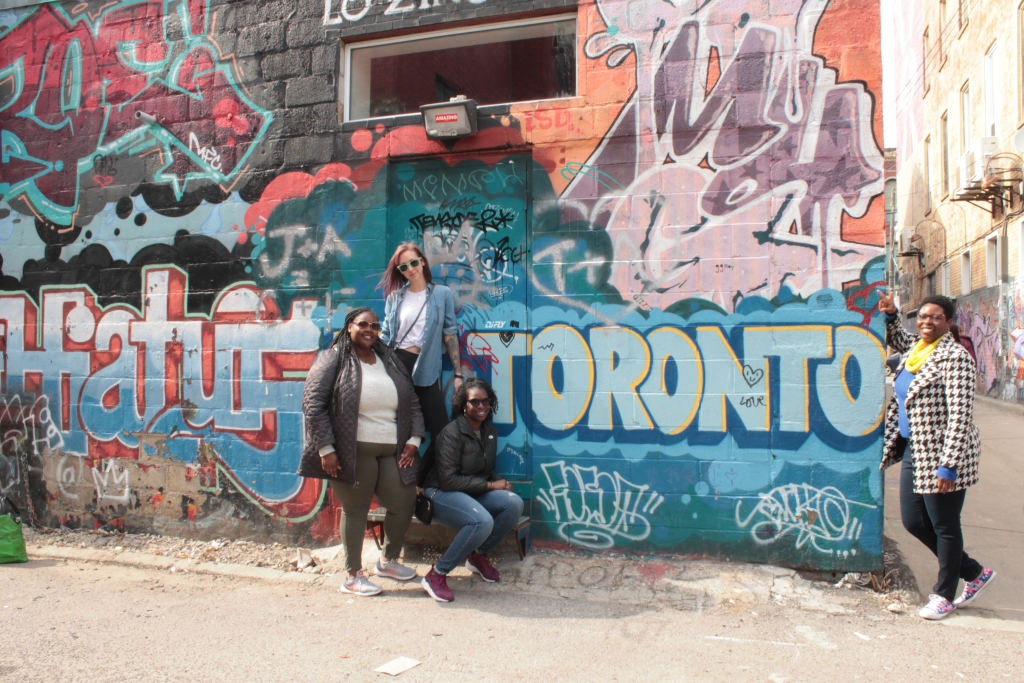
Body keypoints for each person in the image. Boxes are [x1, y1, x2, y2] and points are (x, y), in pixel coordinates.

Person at [878, 291, 995, 620]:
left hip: (943, 454)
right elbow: (901, 337)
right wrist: (890, 315)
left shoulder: (956, 358)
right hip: (915, 448)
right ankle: (973, 572)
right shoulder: (918, 348)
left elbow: (960, 415)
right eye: (923, 317)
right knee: (913, 521)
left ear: (949, 322)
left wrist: (949, 466)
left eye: (936, 318)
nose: (927, 322)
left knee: (944, 525)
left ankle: (943, 595)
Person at [298, 307, 425, 596]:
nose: (370, 329)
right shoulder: (334, 359)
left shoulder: (388, 359)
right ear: (350, 327)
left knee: (403, 502)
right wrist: (326, 448)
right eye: (363, 324)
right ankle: (352, 576)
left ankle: (388, 561)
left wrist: (414, 439)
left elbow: (412, 401)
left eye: (375, 326)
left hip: (393, 450)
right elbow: (313, 404)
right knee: (355, 511)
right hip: (352, 452)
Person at [419, 378, 524, 603]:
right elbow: (448, 480)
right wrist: (489, 486)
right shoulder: (452, 433)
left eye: (485, 401)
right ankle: (436, 574)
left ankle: (478, 556)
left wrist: (500, 482)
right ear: (463, 405)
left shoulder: (489, 431)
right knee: (482, 521)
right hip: (440, 494)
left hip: (469, 493)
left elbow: (486, 469)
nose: (481, 406)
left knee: (513, 502)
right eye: (474, 402)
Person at [379, 244, 462, 481]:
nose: (410, 269)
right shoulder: (395, 297)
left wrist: (458, 374)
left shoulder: (441, 293)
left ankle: (423, 480)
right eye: (404, 267)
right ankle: (399, 482)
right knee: (399, 427)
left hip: (426, 366)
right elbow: (386, 336)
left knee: (442, 431)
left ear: (422, 261)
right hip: (397, 365)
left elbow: (449, 334)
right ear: (400, 271)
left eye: (413, 263)